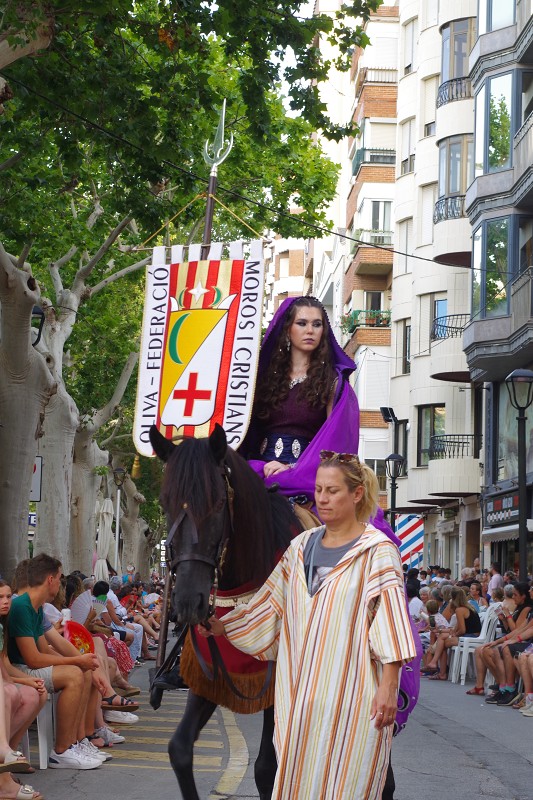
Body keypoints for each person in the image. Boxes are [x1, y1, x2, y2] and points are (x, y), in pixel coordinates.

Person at [199, 452, 417, 799]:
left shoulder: (377, 551)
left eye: (333, 490)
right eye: (318, 490)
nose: (323, 498)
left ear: (357, 494)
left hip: (353, 693)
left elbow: (390, 621)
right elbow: (271, 605)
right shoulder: (300, 547)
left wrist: (389, 686)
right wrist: (225, 626)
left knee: (349, 782)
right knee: (298, 780)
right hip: (299, 693)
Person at [239, 296, 360, 500]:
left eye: (317, 324)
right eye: (302, 323)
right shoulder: (262, 380)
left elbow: (336, 444)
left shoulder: (333, 383)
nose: (310, 330)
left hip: (305, 477)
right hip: (258, 470)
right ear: (288, 329)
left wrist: (292, 468)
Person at [7, 554, 103, 769]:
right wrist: (77, 661)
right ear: (50, 579)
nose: (60, 584)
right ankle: (62, 750)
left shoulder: (35, 606)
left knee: (81, 670)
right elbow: (33, 659)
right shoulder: (22, 607)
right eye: (59, 579)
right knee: (74, 674)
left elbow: (46, 647)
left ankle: (75, 742)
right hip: (17, 670)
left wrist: (82, 662)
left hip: (26, 666)